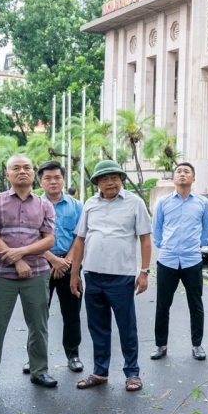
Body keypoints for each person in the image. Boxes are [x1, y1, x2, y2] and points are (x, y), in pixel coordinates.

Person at [0, 155, 58, 396]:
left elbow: (49, 239)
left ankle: (39, 371)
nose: (22, 171)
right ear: (7, 175)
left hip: (37, 274)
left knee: (38, 326)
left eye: (27, 168)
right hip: (1, 275)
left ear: (33, 174)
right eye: (16, 168)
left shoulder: (44, 205)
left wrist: (23, 252)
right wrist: (18, 260)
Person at [69, 160, 152, 392]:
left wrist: (144, 272)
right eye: (104, 178)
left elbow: (145, 238)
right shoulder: (90, 204)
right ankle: (100, 372)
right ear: (97, 183)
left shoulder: (135, 203)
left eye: (114, 177)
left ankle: (132, 373)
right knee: (97, 327)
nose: (110, 182)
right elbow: (80, 239)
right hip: (92, 275)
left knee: (127, 327)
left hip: (121, 276)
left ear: (121, 179)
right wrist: (74, 274)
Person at [151, 162, 208, 362]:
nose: (182, 174)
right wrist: (164, 246)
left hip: (192, 260)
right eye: (179, 171)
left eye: (187, 172)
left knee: (195, 304)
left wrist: (197, 245)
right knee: (163, 305)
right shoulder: (163, 202)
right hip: (167, 260)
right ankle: (161, 345)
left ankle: (197, 345)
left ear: (193, 179)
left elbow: (206, 230)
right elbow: (157, 229)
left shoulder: (203, 203)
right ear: (173, 178)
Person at [37, 161, 84, 374]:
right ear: (40, 181)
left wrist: (66, 261)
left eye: (57, 177)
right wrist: (52, 259)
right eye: (48, 178)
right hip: (40, 263)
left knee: (72, 312)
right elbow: (30, 236)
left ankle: (73, 354)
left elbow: (80, 236)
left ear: (63, 180)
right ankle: (35, 357)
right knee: (37, 314)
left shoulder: (77, 206)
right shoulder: (34, 205)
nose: (53, 181)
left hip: (70, 264)